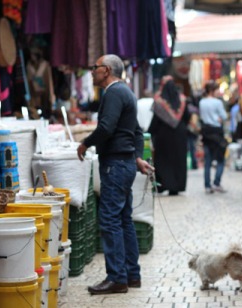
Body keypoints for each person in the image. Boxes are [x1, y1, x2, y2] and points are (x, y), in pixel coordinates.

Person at [76, 54, 154, 295]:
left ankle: (117, 277)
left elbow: (106, 127)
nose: (92, 71)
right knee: (123, 219)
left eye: (95, 68)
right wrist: (138, 157)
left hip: (116, 165)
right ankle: (132, 275)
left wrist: (85, 143)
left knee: (110, 219)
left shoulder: (112, 93)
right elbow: (138, 132)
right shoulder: (127, 92)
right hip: (126, 164)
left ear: (106, 70)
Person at [147, 75, 190, 196]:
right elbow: (187, 117)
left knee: (163, 161)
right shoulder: (182, 100)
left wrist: (149, 132)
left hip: (163, 136)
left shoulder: (159, 102)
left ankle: (163, 185)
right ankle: (176, 187)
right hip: (180, 135)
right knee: (178, 160)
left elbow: (155, 121)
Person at [199, 81, 228, 194]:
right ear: (212, 90)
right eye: (217, 90)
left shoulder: (202, 102)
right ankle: (216, 183)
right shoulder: (217, 102)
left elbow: (202, 116)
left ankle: (207, 185)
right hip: (216, 132)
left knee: (208, 161)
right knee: (220, 159)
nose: (218, 92)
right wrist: (219, 119)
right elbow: (224, 116)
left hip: (206, 132)